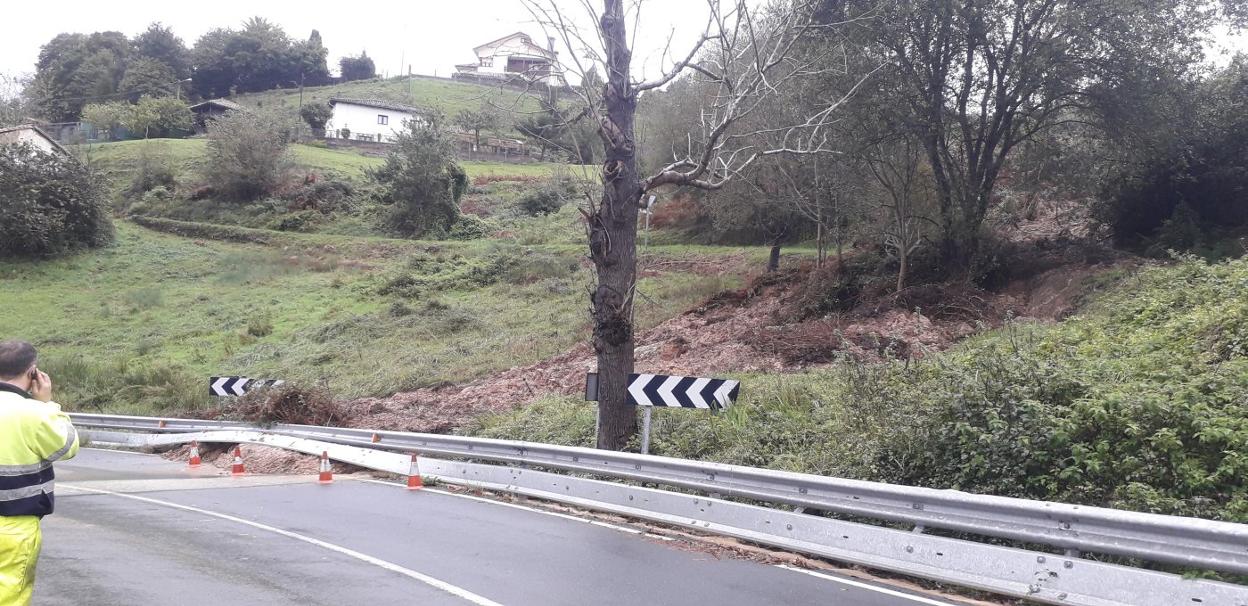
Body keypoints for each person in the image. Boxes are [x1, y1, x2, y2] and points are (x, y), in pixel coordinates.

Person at [0, 341, 78, 606]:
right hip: (14, 526)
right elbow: (66, 447)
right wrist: (47, 404)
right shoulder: (33, 413)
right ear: (33, 372)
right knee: (9, 595)